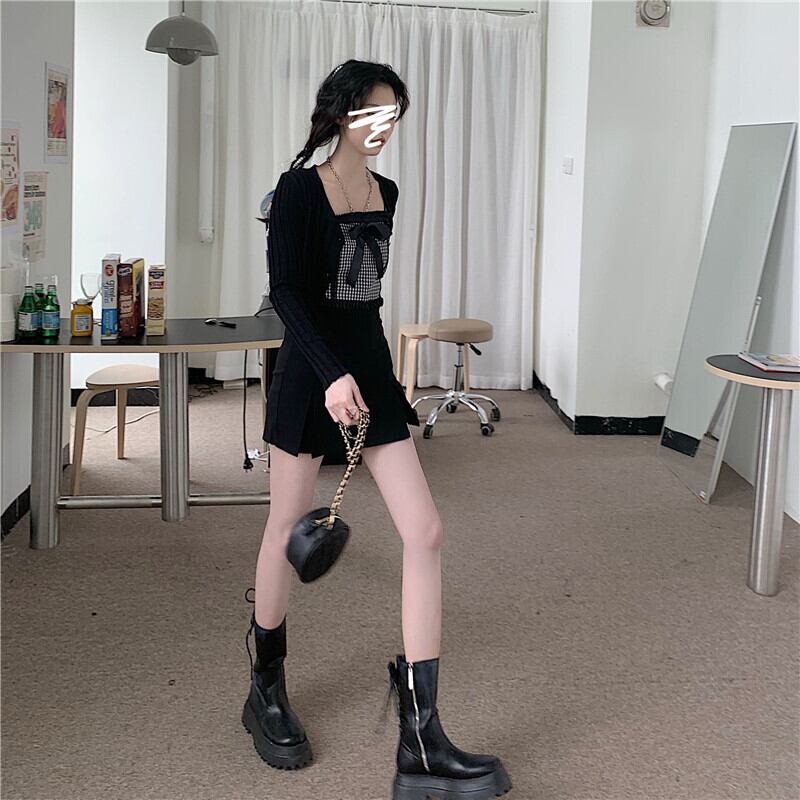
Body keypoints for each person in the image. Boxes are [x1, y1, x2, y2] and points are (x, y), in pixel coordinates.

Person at [242, 59, 512, 800]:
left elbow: (365, 299)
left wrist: (371, 374)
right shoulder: (297, 191)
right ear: (340, 115)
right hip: (310, 374)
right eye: (371, 113)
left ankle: (421, 736)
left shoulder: (386, 191)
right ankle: (266, 689)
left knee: (425, 532)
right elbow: (287, 295)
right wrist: (331, 374)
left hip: (369, 370)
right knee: (285, 528)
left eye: (393, 114)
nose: (383, 126)